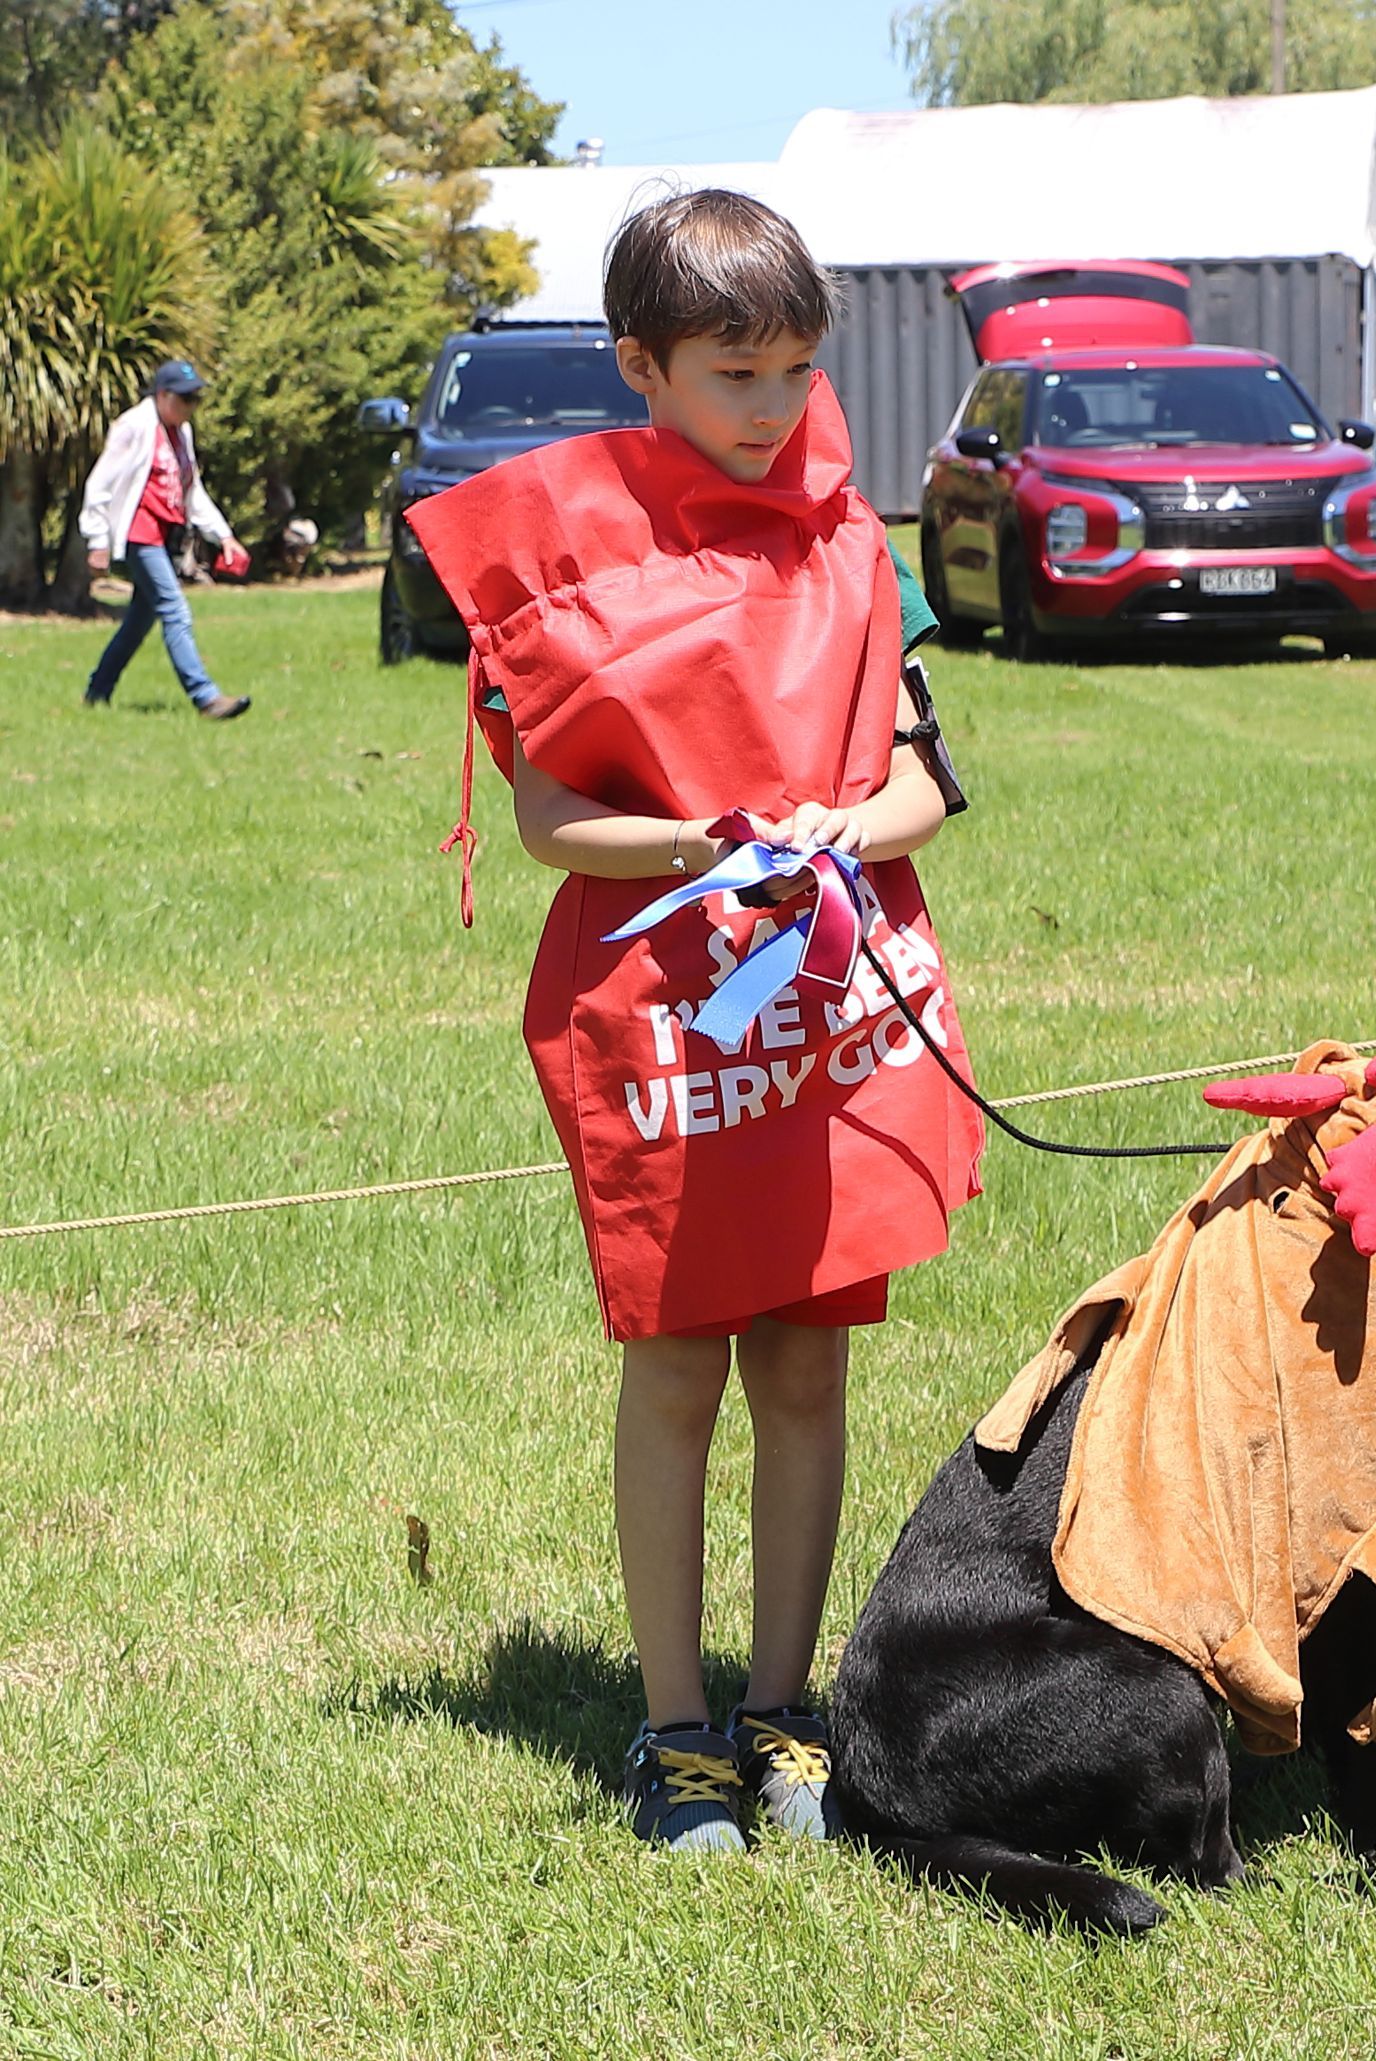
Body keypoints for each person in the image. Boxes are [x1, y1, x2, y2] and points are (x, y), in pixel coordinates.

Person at [405, 190, 983, 1854]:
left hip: (824, 1014)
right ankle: (676, 1733)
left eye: (796, 371)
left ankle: (787, 1712)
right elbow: (544, 819)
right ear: (639, 365)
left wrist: (830, 835)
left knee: (806, 1363)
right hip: (661, 1018)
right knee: (675, 1366)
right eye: (733, 372)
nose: (770, 408)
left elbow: (921, 780)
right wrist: (700, 844)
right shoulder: (573, 562)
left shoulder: (856, 546)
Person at [80, 359, 251, 719]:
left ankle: (97, 694)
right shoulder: (134, 426)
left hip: (165, 534)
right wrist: (97, 539)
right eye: (185, 399)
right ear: (162, 395)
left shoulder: (181, 432)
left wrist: (224, 535)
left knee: (139, 621)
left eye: (196, 400)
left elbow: (192, 491)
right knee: (175, 608)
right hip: (139, 533)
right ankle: (206, 698)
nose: (191, 407)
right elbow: (99, 484)